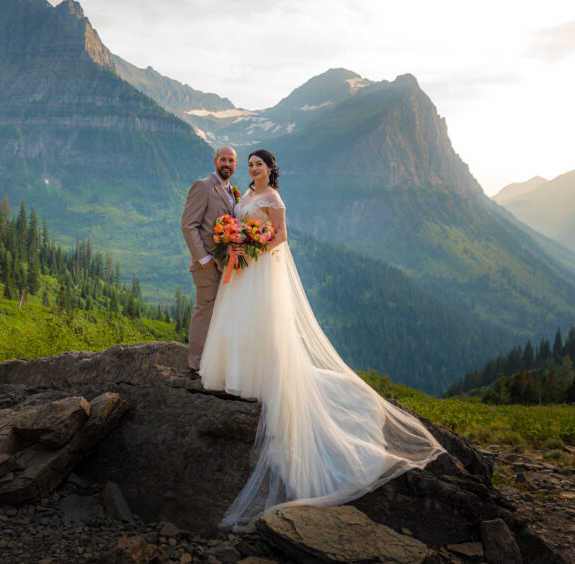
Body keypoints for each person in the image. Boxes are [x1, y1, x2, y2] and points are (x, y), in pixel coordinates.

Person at [199, 149, 447, 531]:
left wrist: (252, 247)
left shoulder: (273, 199)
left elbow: (281, 236)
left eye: (258, 165)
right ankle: (236, 372)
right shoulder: (244, 196)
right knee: (237, 320)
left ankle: (259, 374)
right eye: (249, 164)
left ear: (270, 170)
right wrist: (234, 242)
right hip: (243, 268)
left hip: (261, 268)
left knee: (260, 321)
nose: (252, 169)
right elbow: (237, 223)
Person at [180, 146, 239, 373]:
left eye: (231, 160)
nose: (227, 164)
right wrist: (203, 258)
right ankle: (195, 365)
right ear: (215, 161)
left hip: (226, 265)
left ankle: (213, 363)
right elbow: (188, 225)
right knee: (204, 313)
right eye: (223, 159)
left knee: (220, 314)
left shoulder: (231, 191)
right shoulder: (203, 186)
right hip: (207, 265)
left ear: (235, 164)